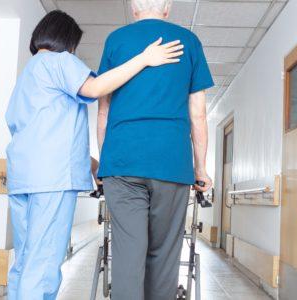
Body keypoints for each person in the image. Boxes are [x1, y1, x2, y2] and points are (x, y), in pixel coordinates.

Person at [4, 10, 184, 300]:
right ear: (66, 40)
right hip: (52, 181)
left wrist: (92, 164)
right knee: (44, 263)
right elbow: (97, 88)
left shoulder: (28, 74)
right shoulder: (59, 61)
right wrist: (144, 58)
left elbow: (41, 133)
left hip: (23, 177)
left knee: (25, 261)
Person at [96, 0, 214, 299]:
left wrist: (105, 161)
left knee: (127, 255)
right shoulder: (188, 41)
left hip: (122, 163)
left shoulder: (116, 40)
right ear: (168, 7)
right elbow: (197, 114)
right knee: (164, 255)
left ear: (133, 8)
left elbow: (103, 110)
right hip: (171, 163)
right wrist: (200, 169)